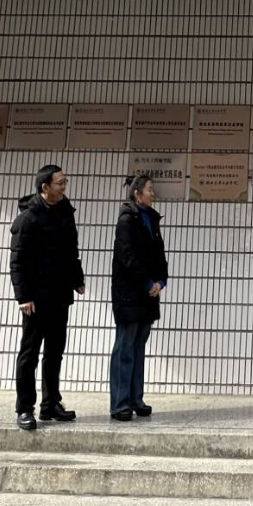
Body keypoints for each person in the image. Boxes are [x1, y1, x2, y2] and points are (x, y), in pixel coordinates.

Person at [9, 164, 85, 431]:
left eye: (65, 182)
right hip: (36, 298)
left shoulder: (65, 211)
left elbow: (72, 250)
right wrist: (23, 296)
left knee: (54, 353)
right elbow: (18, 261)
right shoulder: (28, 218)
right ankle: (24, 408)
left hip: (60, 294)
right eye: (59, 183)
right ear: (45, 187)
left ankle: (50, 404)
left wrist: (77, 279)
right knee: (29, 353)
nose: (64, 187)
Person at [109, 175, 168, 421]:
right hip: (130, 293)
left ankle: (136, 399)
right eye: (150, 189)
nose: (153, 194)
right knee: (125, 348)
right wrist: (147, 282)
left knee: (138, 347)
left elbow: (159, 255)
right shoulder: (127, 220)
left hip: (148, 293)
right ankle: (120, 403)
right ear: (137, 193)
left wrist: (161, 281)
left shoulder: (151, 218)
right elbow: (127, 257)